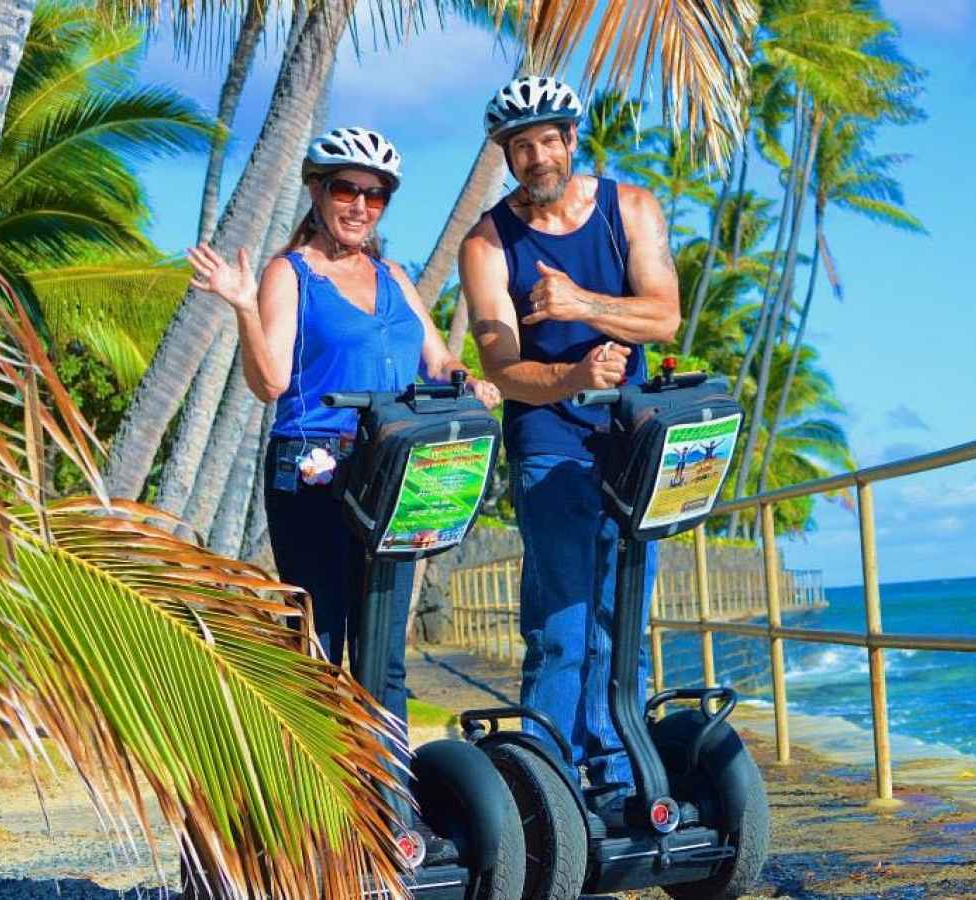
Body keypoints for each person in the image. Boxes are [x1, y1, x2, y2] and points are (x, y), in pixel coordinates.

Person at [187, 125, 500, 749]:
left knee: (383, 654)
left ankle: (392, 802)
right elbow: (271, 381)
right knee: (321, 645)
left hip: (393, 474)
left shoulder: (393, 276)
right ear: (317, 191)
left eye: (376, 194)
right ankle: (325, 801)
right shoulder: (290, 273)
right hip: (314, 470)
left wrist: (470, 382)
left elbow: (438, 361)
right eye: (346, 189)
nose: (360, 205)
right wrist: (244, 307)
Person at [458, 77, 681, 797]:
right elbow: (501, 366)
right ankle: (546, 784)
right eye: (520, 147)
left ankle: (618, 775)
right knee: (563, 625)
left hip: (629, 431)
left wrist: (581, 303)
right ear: (507, 156)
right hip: (547, 434)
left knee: (622, 618)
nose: (536, 158)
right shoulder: (488, 243)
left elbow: (663, 319)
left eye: (547, 141)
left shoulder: (631, 209)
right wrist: (573, 373)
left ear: (570, 141)